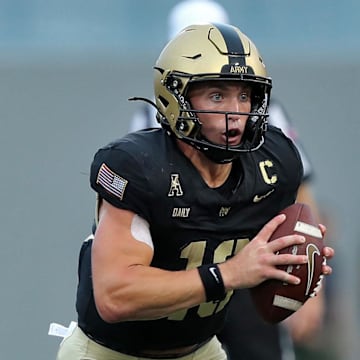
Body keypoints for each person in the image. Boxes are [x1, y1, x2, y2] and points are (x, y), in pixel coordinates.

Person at [56, 23, 334, 360]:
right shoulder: (140, 166)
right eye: (217, 96)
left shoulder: (274, 162)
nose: (235, 115)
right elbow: (115, 296)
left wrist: (296, 264)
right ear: (176, 98)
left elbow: (279, 242)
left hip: (201, 351)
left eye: (244, 96)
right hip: (110, 352)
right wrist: (229, 273)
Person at [129, 2, 327, 359]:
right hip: (181, 267)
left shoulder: (268, 117)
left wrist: (308, 281)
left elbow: (298, 193)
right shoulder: (145, 124)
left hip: (250, 260)